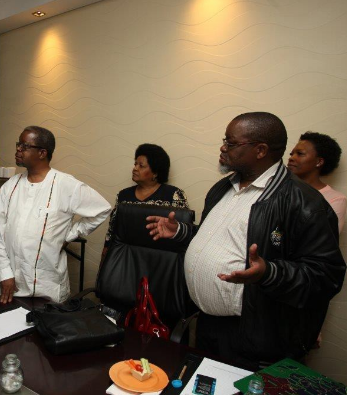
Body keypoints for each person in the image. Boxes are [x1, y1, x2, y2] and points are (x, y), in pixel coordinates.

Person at [146, 112, 345, 369]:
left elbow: (326, 276)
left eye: (231, 143)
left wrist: (269, 272)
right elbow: (218, 240)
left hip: (253, 337)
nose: (223, 147)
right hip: (207, 324)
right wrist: (181, 233)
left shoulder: (305, 203)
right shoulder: (223, 188)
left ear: (260, 150)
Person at [0, 126, 111, 304]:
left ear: (42, 153)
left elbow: (102, 209)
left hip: (49, 287)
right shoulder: (10, 187)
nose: (18, 149)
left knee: (47, 330)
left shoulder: (66, 185)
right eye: (18, 144)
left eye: (24, 146)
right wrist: (4, 273)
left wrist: (69, 235)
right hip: (13, 284)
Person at [102, 143, 188, 260]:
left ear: (155, 173)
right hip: (126, 259)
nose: (135, 168)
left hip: (160, 260)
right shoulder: (123, 195)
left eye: (141, 166)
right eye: (135, 164)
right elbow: (112, 232)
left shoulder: (174, 195)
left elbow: (183, 232)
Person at [288, 132, 345, 233]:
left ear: (319, 162)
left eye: (300, 154)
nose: (291, 158)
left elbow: (325, 240)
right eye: (292, 154)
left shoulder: (335, 199)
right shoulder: (280, 189)